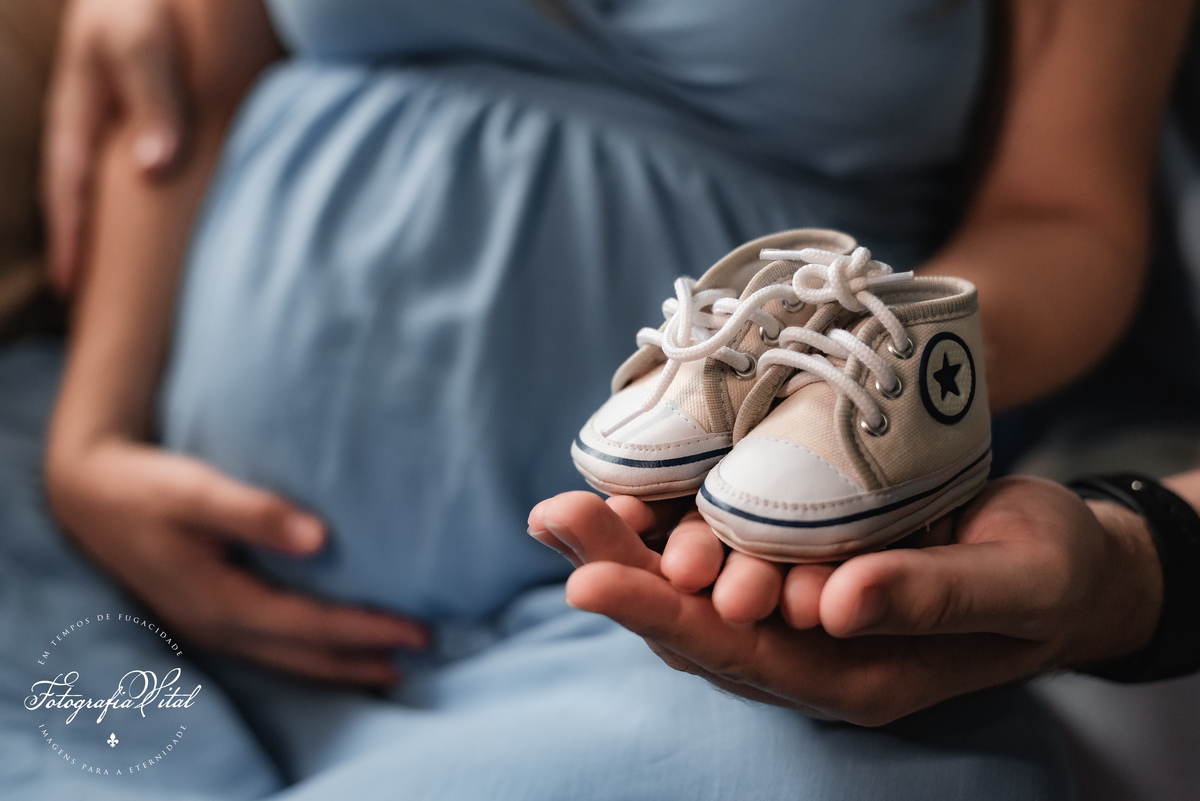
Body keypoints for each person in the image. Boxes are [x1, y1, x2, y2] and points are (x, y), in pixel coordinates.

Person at [16, 0, 1192, 797]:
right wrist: (92, 443)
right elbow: (183, 61)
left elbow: (1065, 211)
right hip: (134, 566)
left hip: (665, 617)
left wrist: (862, 350)